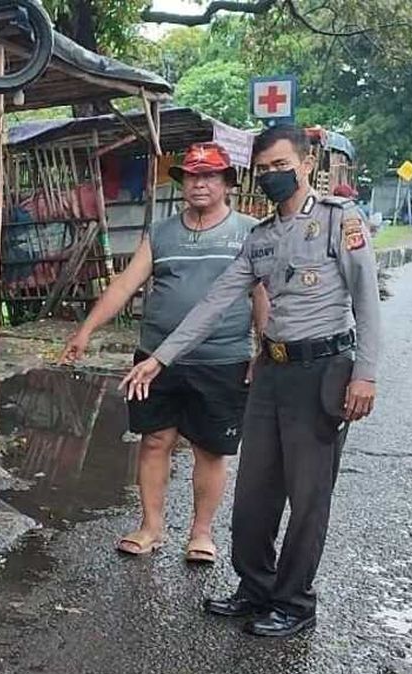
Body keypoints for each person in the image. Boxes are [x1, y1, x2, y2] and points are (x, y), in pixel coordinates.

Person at [120, 124, 382, 638]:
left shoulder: (338, 221)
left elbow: (366, 300)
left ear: (306, 164)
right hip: (270, 371)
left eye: (282, 166)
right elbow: (215, 302)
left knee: (307, 495)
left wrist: (365, 375)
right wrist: (162, 359)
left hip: (324, 371)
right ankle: (255, 588)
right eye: (263, 170)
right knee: (256, 490)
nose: (272, 176)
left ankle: (295, 602)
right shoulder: (261, 238)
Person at [60, 142, 269, 564]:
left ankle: (202, 533)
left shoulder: (250, 232)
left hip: (222, 358)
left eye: (210, 176)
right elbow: (124, 285)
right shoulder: (162, 232)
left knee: (210, 448)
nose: (200, 184)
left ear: (227, 183)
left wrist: (262, 347)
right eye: (192, 176)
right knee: (155, 440)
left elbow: (262, 292)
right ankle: (152, 527)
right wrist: (85, 330)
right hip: (154, 357)